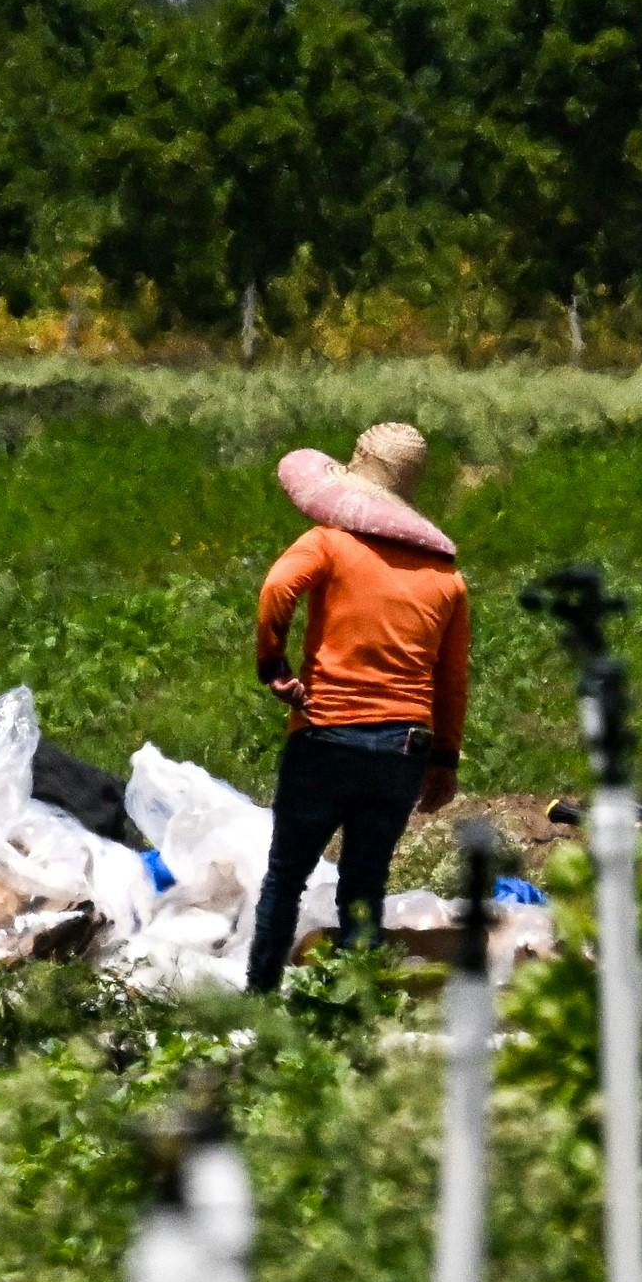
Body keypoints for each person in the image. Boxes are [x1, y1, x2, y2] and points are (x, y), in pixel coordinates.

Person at [246, 421, 469, 991]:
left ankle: (260, 998)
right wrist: (445, 760)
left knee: (286, 880)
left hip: (327, 735)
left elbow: (277, 588)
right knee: (364, 887)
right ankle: (356, 1008)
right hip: (404, 748)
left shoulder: (329, 543)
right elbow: (451, 678)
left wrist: (274, 666)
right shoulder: (447, 580)